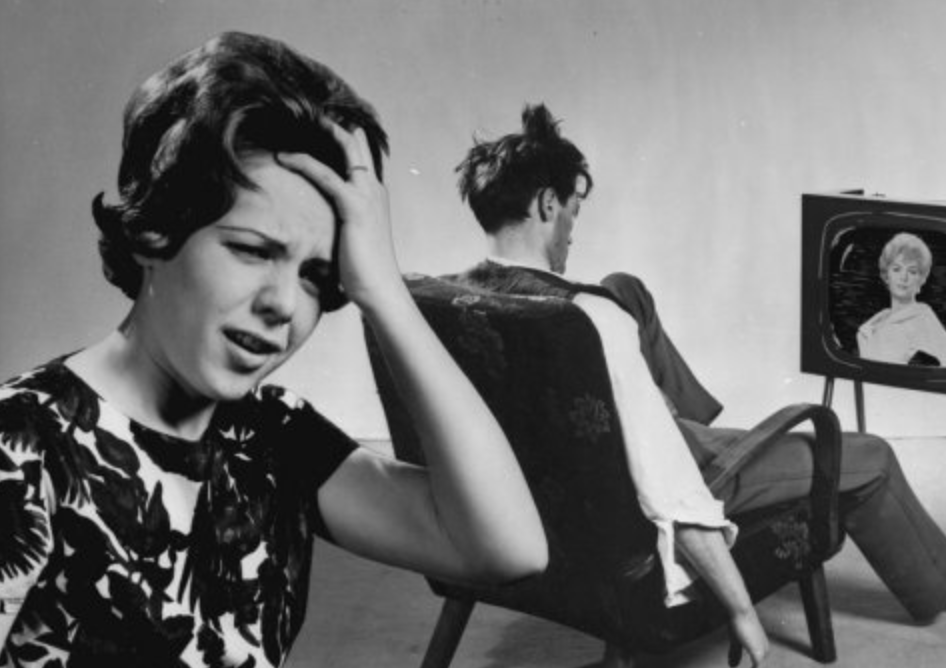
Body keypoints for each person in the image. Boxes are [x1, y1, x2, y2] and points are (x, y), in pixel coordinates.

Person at [0, 32, 548, 668]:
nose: (283, 304)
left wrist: (384, 293)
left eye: (316, 276)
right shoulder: (21, 445)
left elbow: (507, 549)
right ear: (155, 231)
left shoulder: (272, 436)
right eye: (252, 250)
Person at [451, 104, 946, 667]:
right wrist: (741, 609)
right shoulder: (589, 321)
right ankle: (938, 587)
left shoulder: (445, 301)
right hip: (681, 476)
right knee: (873, 456)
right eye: (573, 212)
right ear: (546, 204)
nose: (572, 233)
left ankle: (674, 415)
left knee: (623, 287)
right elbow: (673, 493)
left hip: (557, 483)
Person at [857, 232, 946, 365]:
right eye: (897, 269)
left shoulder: (924, 319)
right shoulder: (874, 324)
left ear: (921, 279)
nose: (903, 277)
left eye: (912, 271)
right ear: (887, 275)